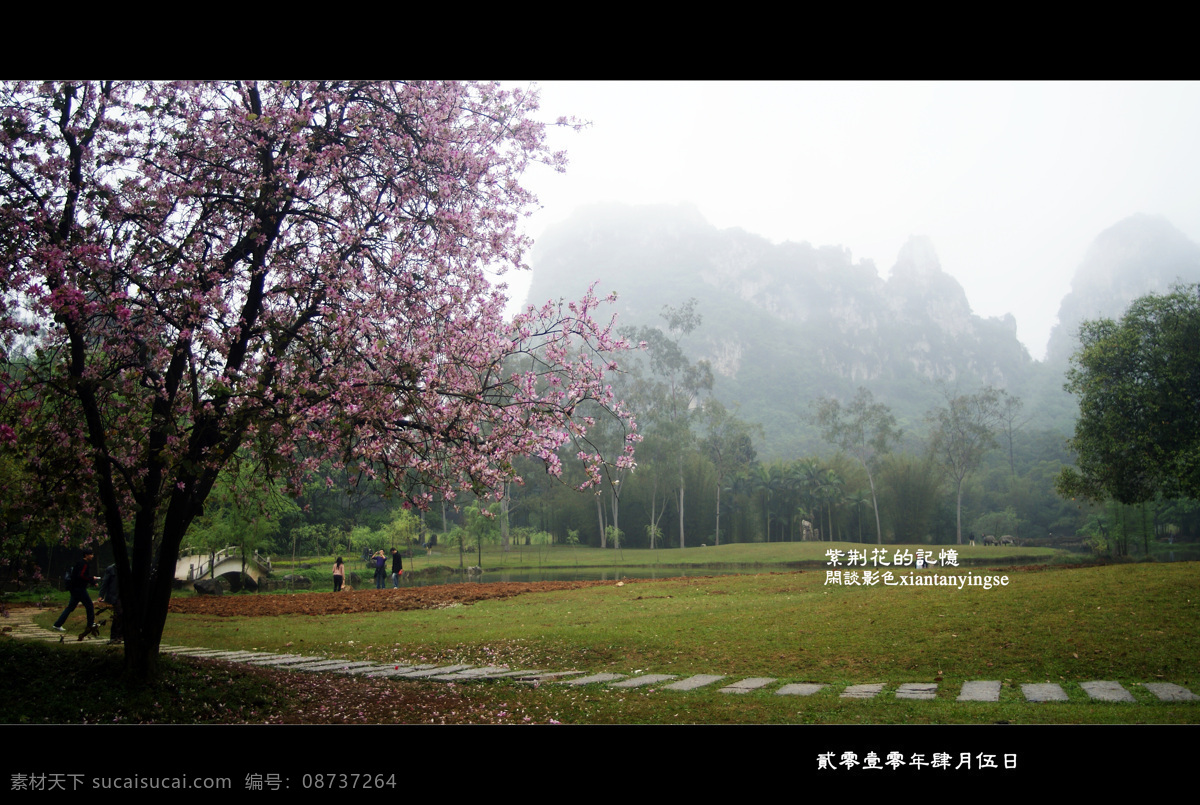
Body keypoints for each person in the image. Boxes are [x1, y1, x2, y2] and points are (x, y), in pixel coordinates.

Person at [53, 549, 97, 633]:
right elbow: (82, 576)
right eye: (91, 554)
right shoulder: (84, 564)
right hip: (79, 589)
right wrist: (91, 579)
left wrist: (91, 581)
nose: (92, 556)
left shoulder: (79, 563)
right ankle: (90, 623)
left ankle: (57, 624)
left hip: (74, 588)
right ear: (86, 555)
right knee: (89, 605)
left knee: (71, 607)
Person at [97, 562, 123, 643]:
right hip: (114, 595)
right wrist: (101, 594)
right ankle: (115, 636)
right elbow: (105, 582)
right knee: (119, 614)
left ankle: (119, 635)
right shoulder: (111, 569)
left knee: (121, 615)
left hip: (121, 595)